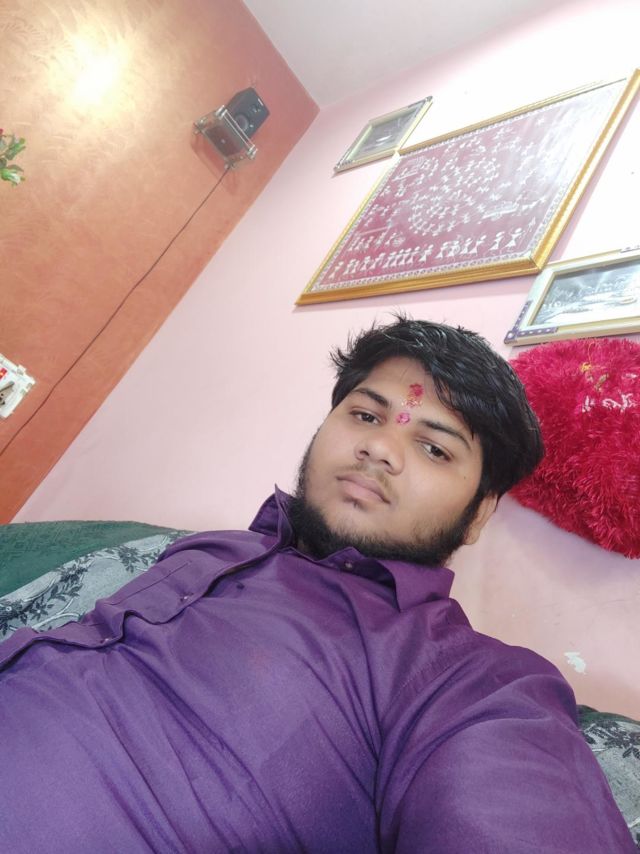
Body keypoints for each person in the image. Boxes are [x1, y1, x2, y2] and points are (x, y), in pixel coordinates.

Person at [0, 316, 634, 853]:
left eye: (435, 449)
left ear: (478, 514)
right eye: (365, 414)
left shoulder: (473, 682)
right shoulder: (216, 547)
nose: (380, 449)